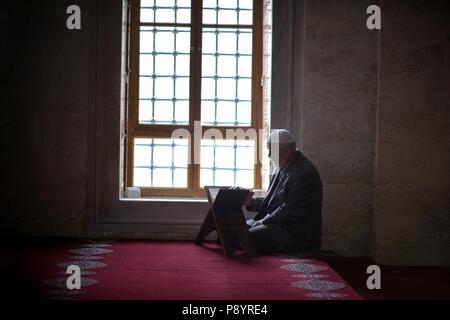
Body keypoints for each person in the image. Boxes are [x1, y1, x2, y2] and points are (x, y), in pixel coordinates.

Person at [245, 129, 323, 254]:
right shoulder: (282, 167)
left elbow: (288, 212)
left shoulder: (305, 174)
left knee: (244, 237)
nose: (269, 155)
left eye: (272, 151)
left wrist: (260, 222)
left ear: (286, 152)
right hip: (279, 225)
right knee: (236, 231)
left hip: (295, 234)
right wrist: (251, 203)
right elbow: (272, 202)